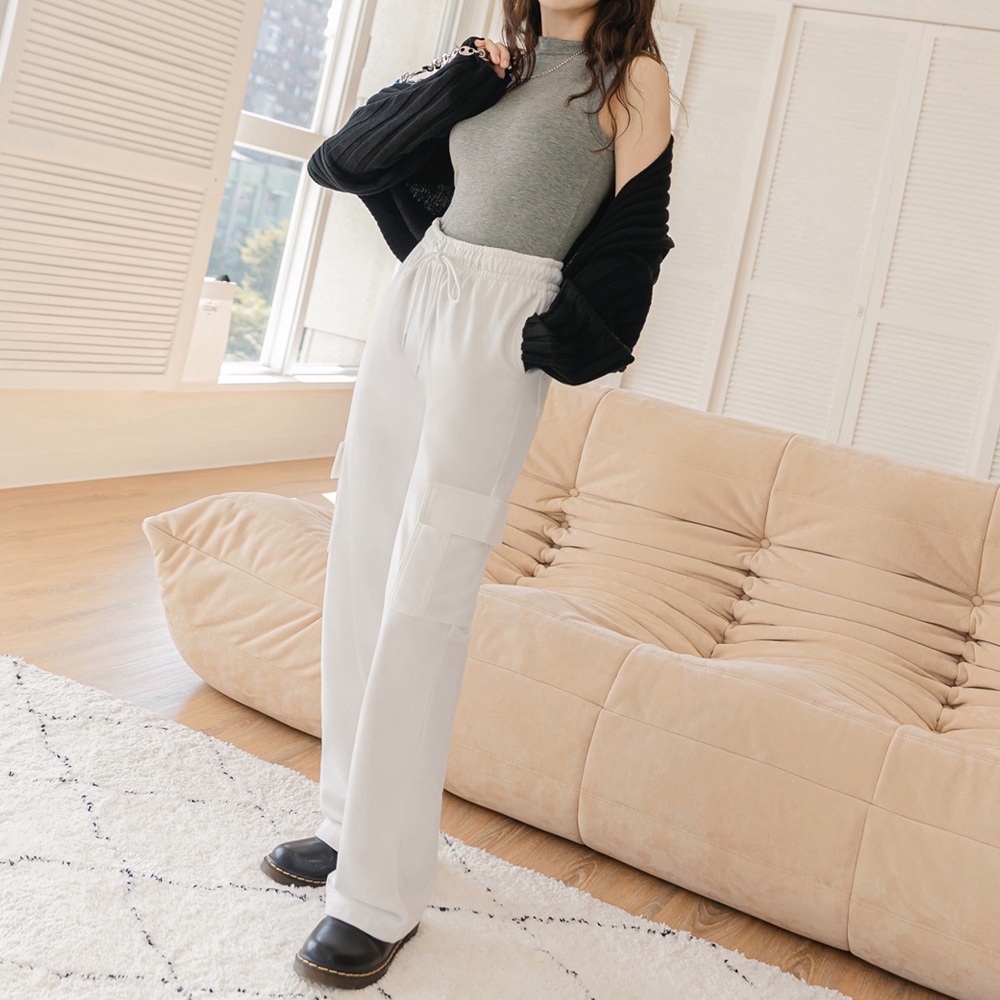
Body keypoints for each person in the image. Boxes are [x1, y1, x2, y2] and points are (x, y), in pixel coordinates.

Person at [263, 0, 675, 988]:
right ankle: (347, 821)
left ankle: (379, 895)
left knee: (427, 591)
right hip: (422, 292)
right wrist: (459, 82)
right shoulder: (496, 63)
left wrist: (576, 329)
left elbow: (640, 228)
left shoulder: (634, 79)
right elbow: (345, 161)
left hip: (502, 320)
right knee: (363, 556)